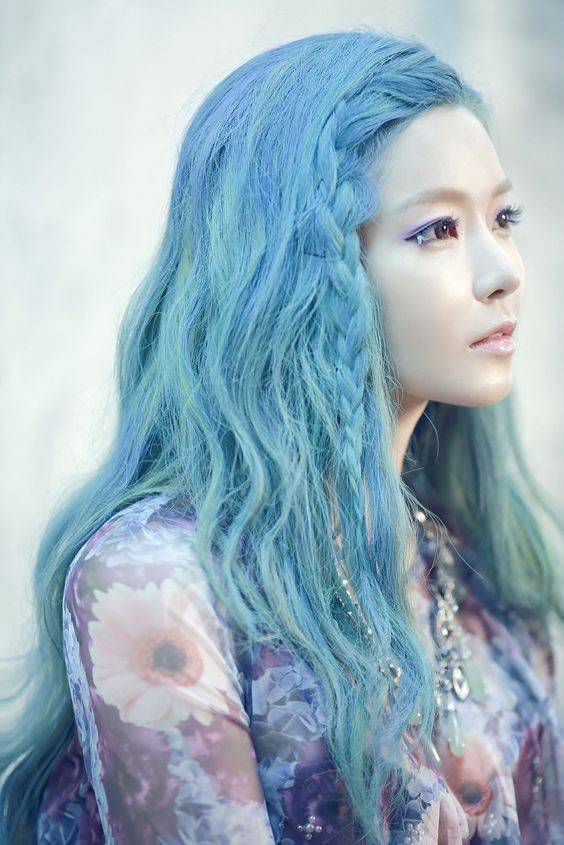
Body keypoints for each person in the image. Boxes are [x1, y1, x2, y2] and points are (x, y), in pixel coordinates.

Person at [1, 27, 563, 845]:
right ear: (299, 271)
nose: (504, 269)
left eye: (502, 217)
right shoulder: (155, 582)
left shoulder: (482, 582)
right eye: (437, 229)